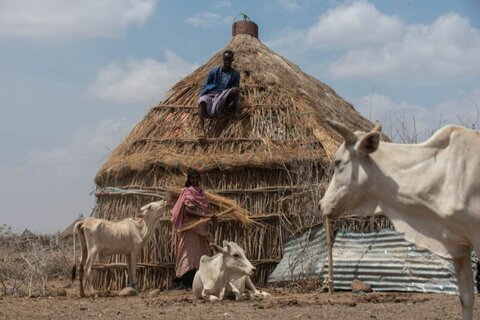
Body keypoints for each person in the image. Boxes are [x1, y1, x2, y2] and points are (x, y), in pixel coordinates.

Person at [170, 168, 213, 289]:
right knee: (187, 255)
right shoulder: (188, 193)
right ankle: (183, 281)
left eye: (196, 178)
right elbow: (188, 210)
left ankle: (195, 282)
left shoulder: (202, 194)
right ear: (189, 180)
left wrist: (209, 216)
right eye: (192, 178)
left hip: (201, 230)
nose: (194, 180)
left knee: (199, 255)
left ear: (199, 179)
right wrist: (205, 215)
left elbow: (206, 208)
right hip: (189, 229)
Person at [197, 49, 247, 139]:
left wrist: (236, 109)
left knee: (235, 90)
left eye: (229, 60)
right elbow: (206, 85)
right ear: (222, 59)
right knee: (202, 101)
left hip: (224, 94)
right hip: (212, 93)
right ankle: (202, 130)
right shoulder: (214, 71)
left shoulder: (235, 74)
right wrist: (202, 95)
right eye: (225, 59)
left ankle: (223, 109)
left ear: (232, 60)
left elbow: (237, 89)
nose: (226, 62)